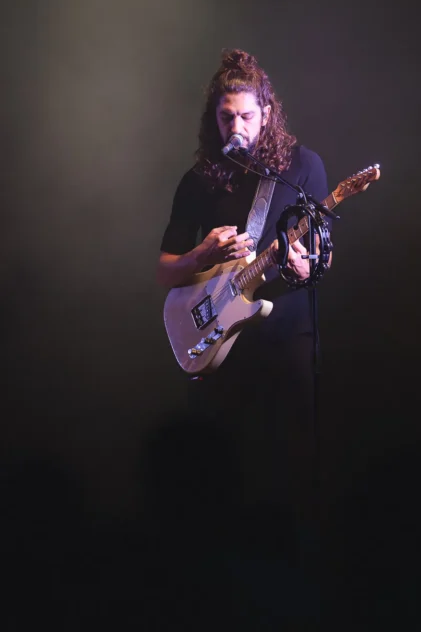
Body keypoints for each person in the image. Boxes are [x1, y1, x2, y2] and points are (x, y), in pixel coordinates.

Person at [157, 49, 332, 545]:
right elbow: (164, 271)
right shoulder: (198, 180)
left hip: (285, 335)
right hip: (219, 345)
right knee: (219, 465)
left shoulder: (302, 168)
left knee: (290, 460)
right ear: (213, 118)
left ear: (268, 114)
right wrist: (201, 255)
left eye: (247, 116)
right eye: (226, 116)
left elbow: (323, 254)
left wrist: (306, 263)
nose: (237, 126)